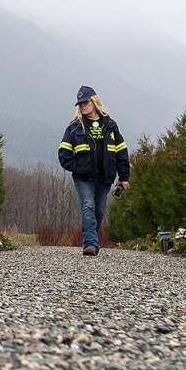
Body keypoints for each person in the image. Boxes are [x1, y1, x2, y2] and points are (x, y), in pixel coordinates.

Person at [57, 86, 130, 256]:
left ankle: (93, 239)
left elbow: (121, 152)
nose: (83, 106)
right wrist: (78, 167)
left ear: (95, 101)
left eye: (86, 102)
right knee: (88, 206)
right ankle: (90, 244)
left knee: (99, 210)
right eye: (80, 103)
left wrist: (124, 177)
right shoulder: (74, 127)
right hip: (84, 178)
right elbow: (63, 154)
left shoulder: (111, 125)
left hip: (105, 177)